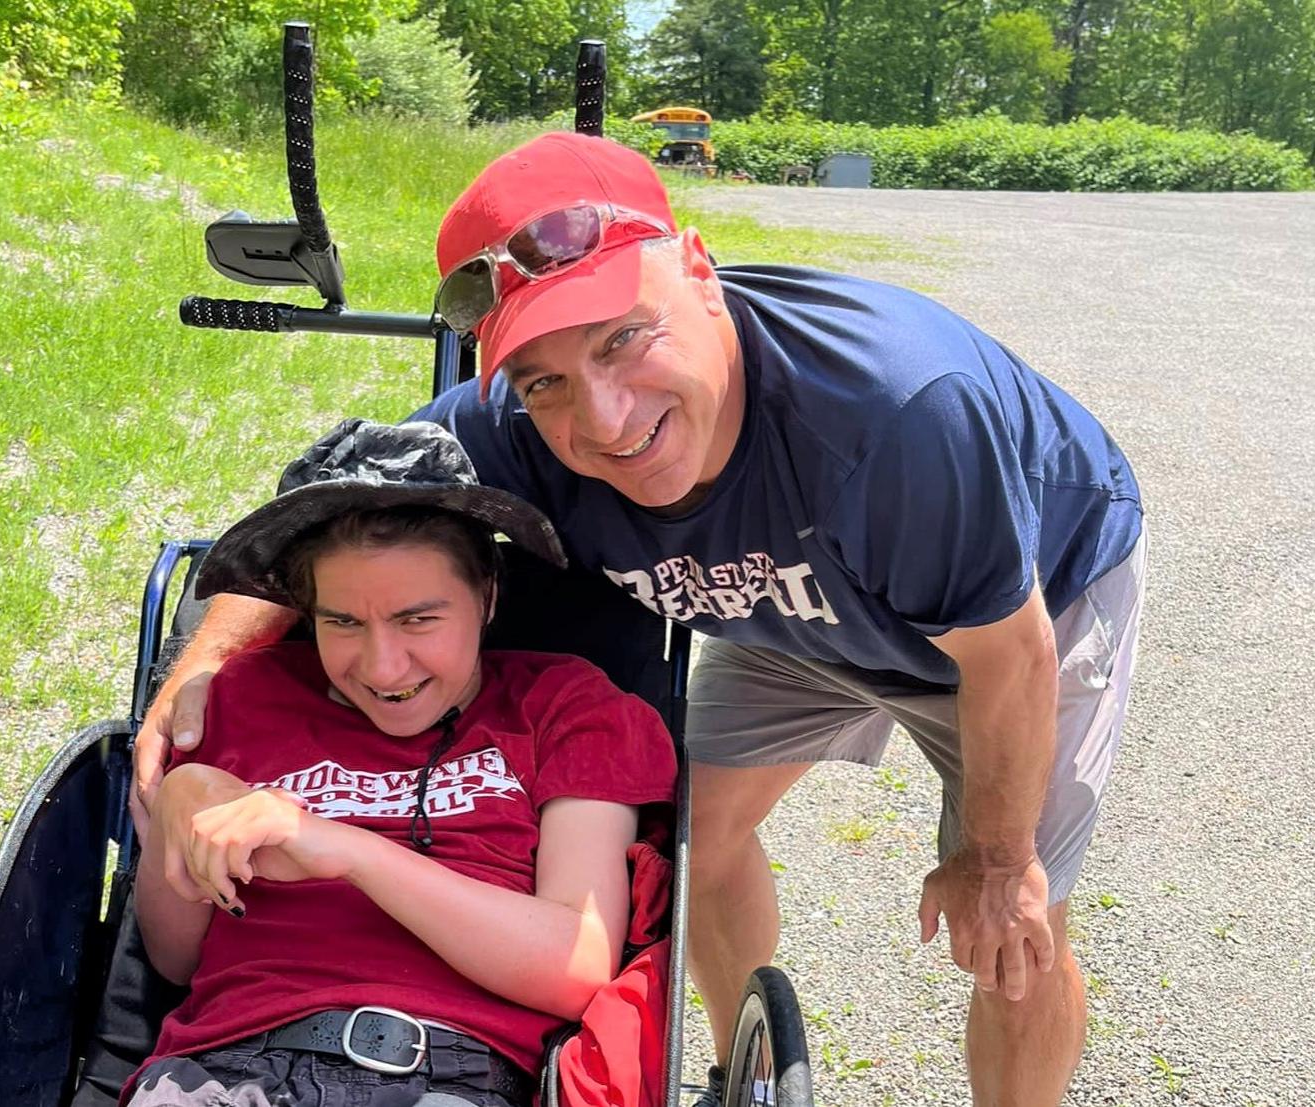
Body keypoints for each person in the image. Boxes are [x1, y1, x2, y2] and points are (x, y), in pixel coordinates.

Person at [135, 134, 1147, 1107]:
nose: (605, 420)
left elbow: (1010, 655)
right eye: (547, 382)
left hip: (1010, 621)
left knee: (1016, 930)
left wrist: (997, 857)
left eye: (623, 339)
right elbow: (338, 511)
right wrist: (200, 667)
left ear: (699, 271)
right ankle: (723, 1067)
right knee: (698, 844)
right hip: (784, 608)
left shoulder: (895, 411)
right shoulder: (509, 430)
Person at [129, 417, 677, 1107]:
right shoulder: (244, 696)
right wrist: (180, 807)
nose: (383, 666)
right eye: (342, 622)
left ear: (487, 595)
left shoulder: (565, 707)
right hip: (219, 1067)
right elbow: (175, 959)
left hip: (447, 1072)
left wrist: (342, 849)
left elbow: (578, 964)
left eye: (418, 619)